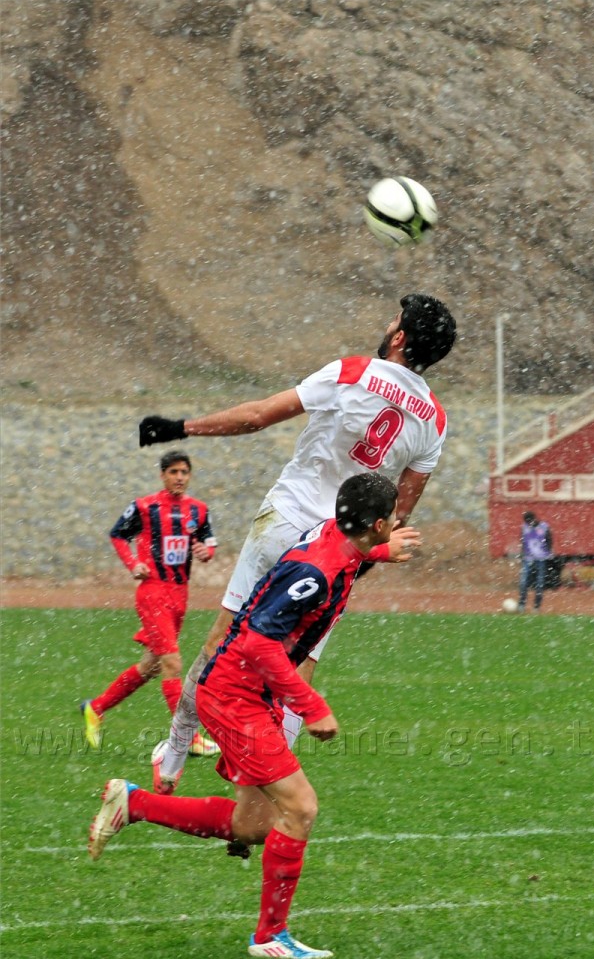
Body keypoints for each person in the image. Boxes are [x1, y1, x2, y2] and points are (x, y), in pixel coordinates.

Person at [88, 474, 417, 959]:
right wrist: (312, 705)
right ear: (380, 522)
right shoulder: (318, 572)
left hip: (242, 690)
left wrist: (381, 552)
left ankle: (133, 804)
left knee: (253, 825)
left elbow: (344, 553)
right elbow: (258, 643)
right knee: (301, 808)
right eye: (393, 517)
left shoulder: (335, 537)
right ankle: (268, 939)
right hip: (235, 696)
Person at [138, 292, 457, 792]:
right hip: (337, 547)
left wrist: (182, 427)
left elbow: (258, 416)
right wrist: (356, 562)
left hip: (285, 519)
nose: (389, 322)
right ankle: (264, 788)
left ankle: (175, 755)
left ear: (398, 337)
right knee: (296, 666)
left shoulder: (354, 371)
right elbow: (396, 516)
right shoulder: (434, 420)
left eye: (395, 319)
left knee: (222, 642)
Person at [81, 451, 218, 755]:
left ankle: (96, 707)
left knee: (151, 666)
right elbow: (118, 535)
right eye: (173, 472)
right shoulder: (145, 507)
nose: (179, 477)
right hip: (153, 592)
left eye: (184, 472)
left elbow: (208, 542)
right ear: (162, 475)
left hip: (180, 594)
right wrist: (132, 564)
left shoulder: (199, 509)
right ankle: (187, 737)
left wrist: (206, 552)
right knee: (172, 663)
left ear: (190, 475)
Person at [518, 510, 553, 612]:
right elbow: (523, 541)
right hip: (528, 558)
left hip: (541, 559)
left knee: (540, 583)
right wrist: (523, 554)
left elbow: (549, 539)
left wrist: (547, 552)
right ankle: (521, 604)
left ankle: (536, 606)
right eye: (527, 522)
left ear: (534, 518)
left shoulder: (544, 527)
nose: (529, 524)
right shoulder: (524, 528)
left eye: (530, 521)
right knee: (523, 582)